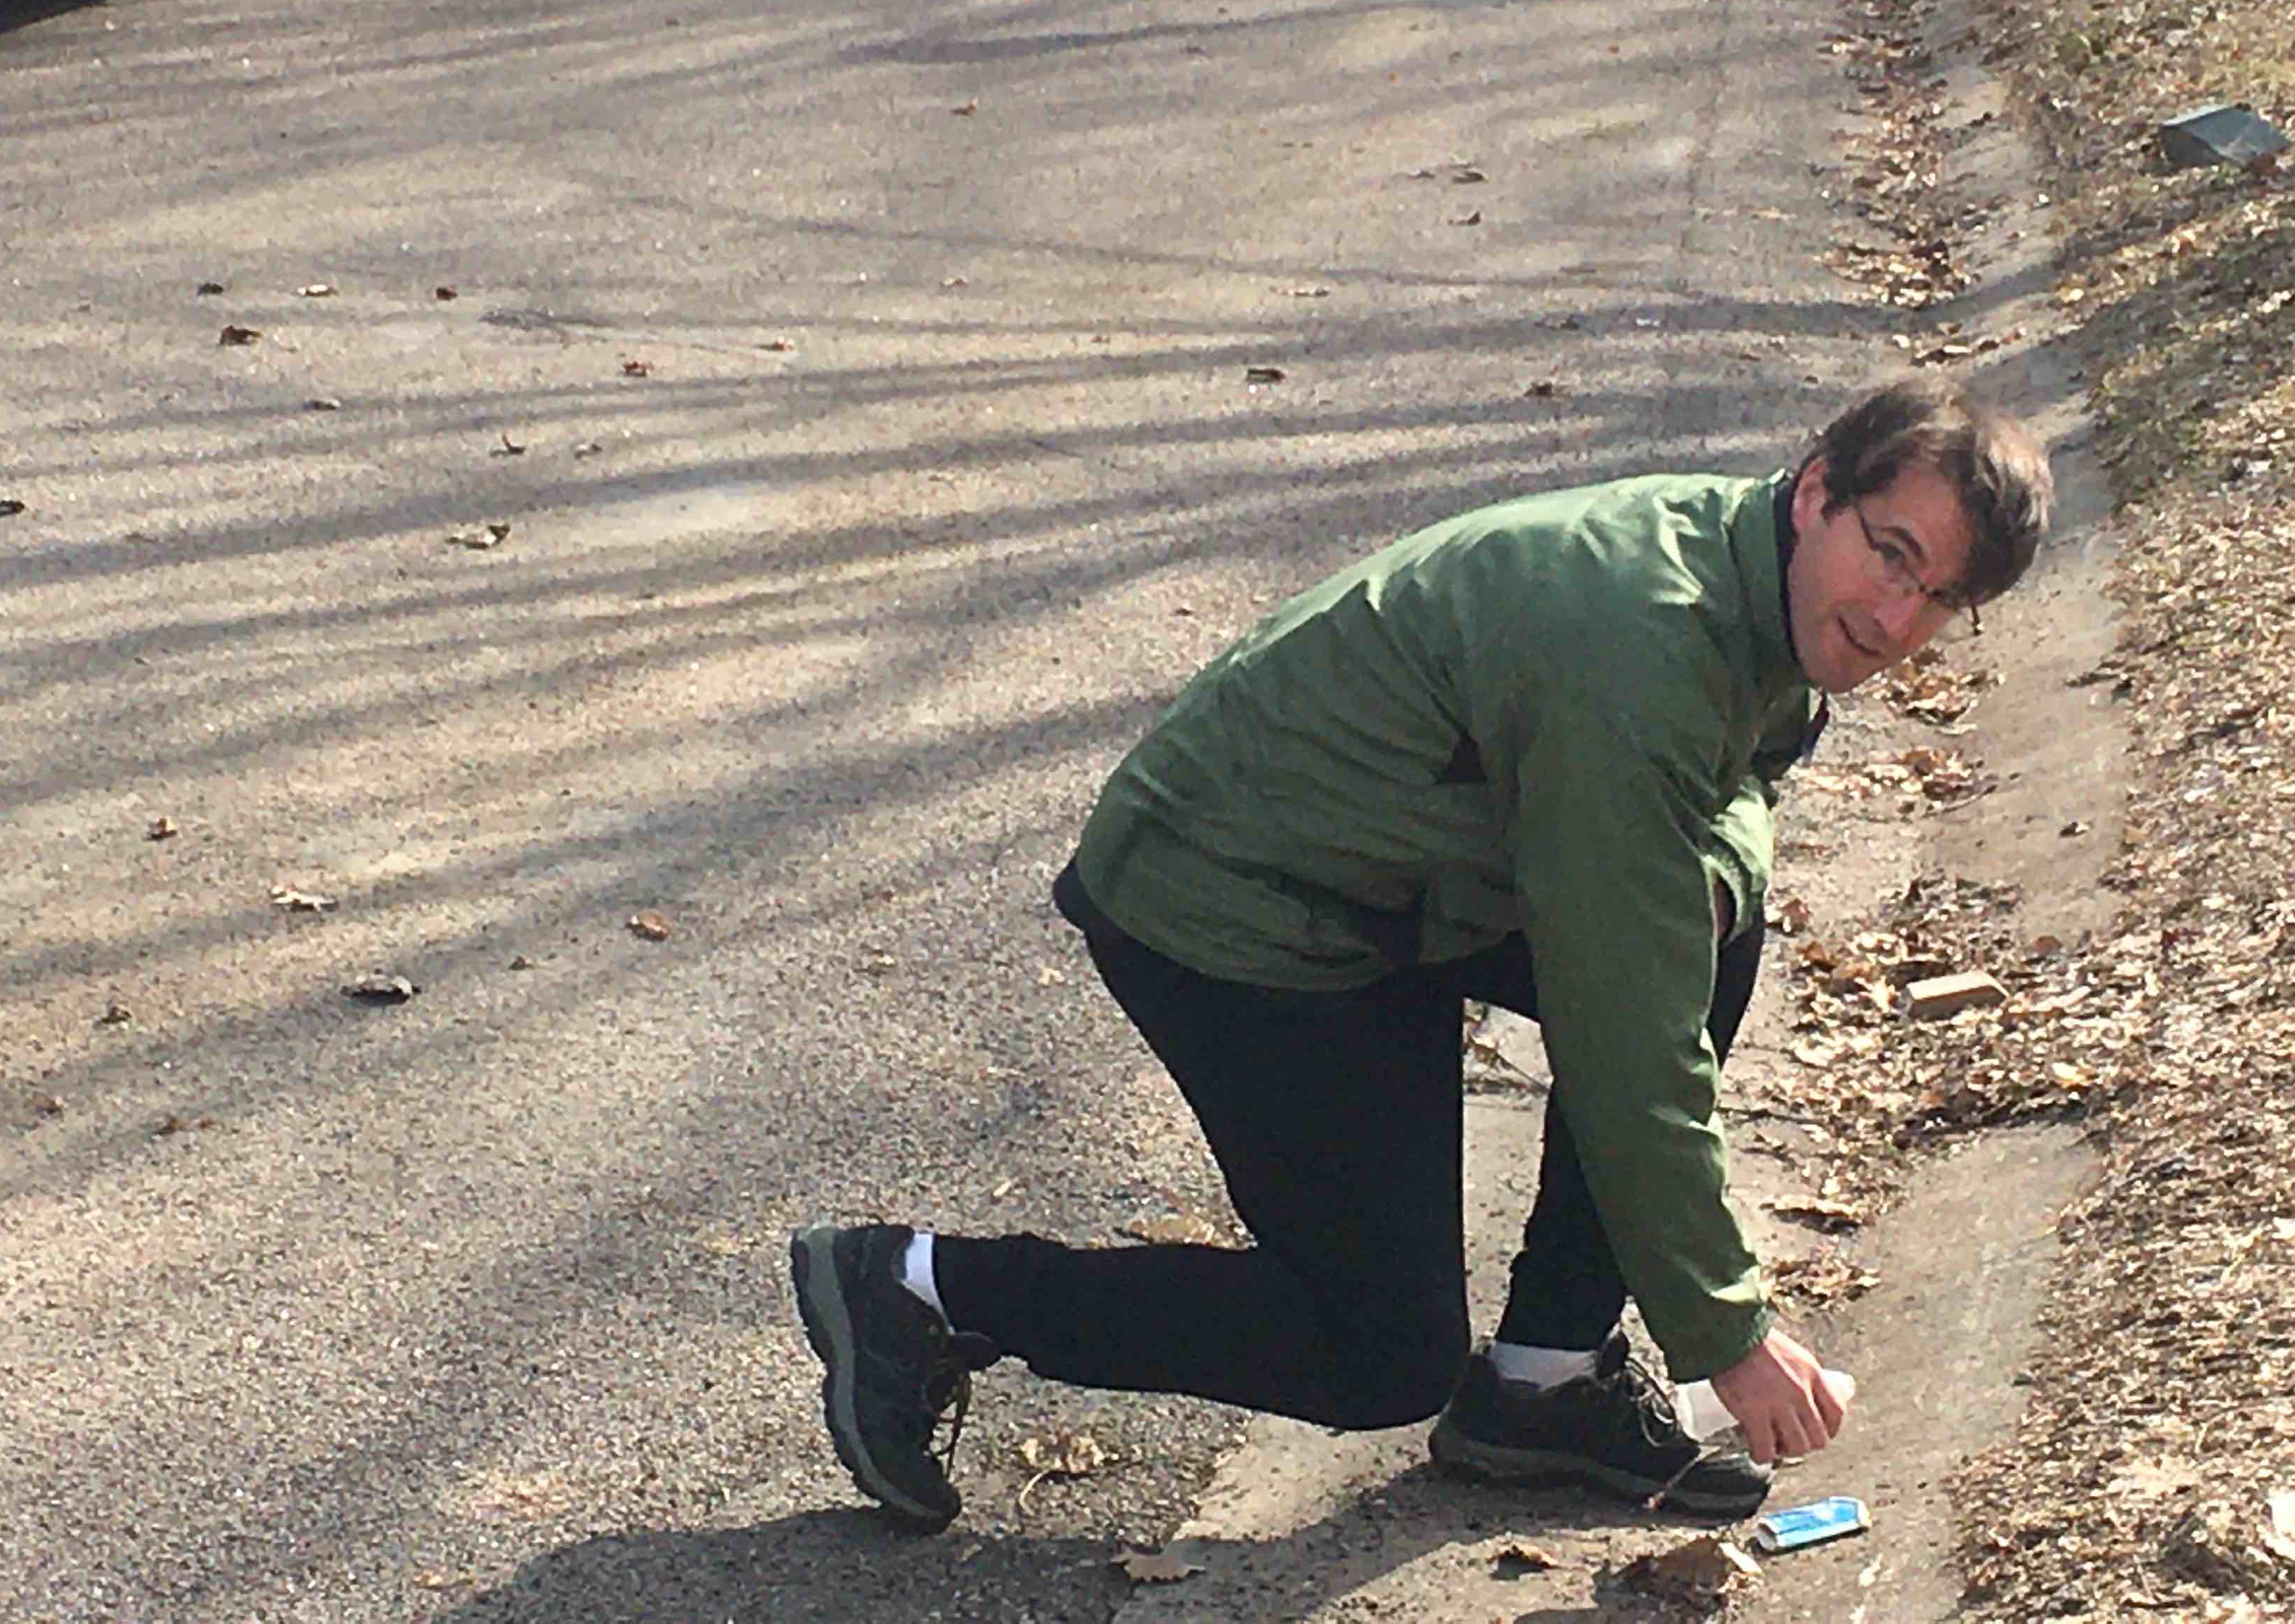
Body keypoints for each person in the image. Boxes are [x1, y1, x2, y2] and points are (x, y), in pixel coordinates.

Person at [792, 378, 2054, 1532]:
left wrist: (1704, 888)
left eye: (1942, 597)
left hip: (1387, 878)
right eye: (1891, 557)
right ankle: (922, 1287)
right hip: (1231, 901)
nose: (1898, 618)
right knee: (1378, 1354)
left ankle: (1543, 1383)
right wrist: (1727, 1333)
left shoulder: (1755, 575)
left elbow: (1707, 826)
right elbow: (1628, 1041)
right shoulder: (1639, 647)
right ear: (1820, 487)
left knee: (1709, 929)